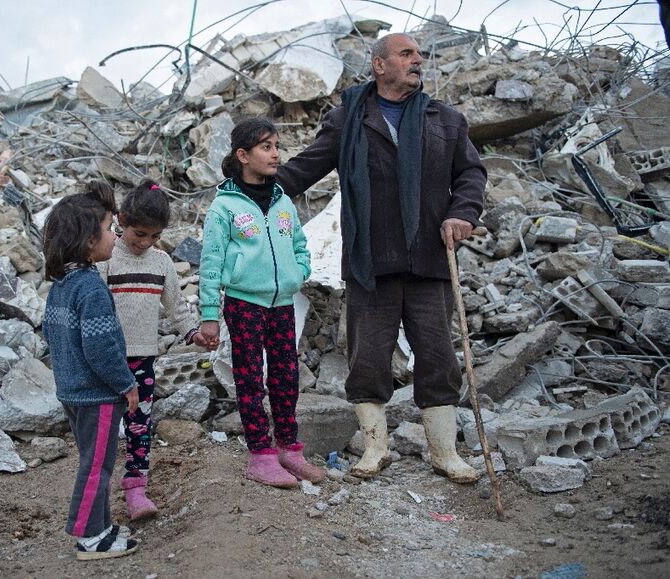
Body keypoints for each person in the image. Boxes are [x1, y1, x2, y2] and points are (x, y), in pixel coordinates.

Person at [276, 33, 486, 484]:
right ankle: (376, 448)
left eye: (419, 53)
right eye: (407, 54)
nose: (418, 60)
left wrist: (462, 213)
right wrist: (253, 191)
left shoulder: (444, 120)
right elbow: (305, 168)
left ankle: (444, 452)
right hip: (371, 264)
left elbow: (471, 173)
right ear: (378, 65)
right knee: (367, 359)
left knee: (437, 356)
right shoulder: (348, 118)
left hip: (430, 261)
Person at [199, 117, 325, 489]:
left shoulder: (282, 200)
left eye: (276, 146)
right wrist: (208, 315)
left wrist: (297, 272)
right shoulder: (224, 207)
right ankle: (260, 455)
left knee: (286, 375)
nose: (275, 154)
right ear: (243, 155)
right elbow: (211, 263)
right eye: (265, 147)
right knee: (250, 379)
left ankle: (289, 448)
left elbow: (300, 245)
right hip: (244, 304)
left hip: (282, 302)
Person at [95, 178, 210, 521]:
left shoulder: (160, 263)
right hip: (105, 359)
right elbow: (93, 308)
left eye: (154, 236)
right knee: (100, 427)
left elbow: (176, 306)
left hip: (142, 359)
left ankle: (136, 491)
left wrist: (192, 332)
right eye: (139, 234)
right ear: (121, 221)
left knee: (139, 426)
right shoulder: (105, 258)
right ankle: (96, 496)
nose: (145, 243)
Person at [41, 184, 140, 560]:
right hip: (96, 394)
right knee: (97, 466)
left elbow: (53, 334)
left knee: (94, 459)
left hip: (71, 390)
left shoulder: (62, 285)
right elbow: (100, 348)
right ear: (87, 240)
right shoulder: (91, 288)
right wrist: (126, 383)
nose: (116, 235)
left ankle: (101, 525)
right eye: (109, 227)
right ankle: (88, 536)